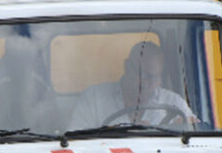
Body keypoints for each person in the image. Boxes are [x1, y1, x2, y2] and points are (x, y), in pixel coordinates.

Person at [68, 40, 197, 129]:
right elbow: (74, 142)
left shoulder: (173, 102)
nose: (146, 83)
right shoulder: (93, 98)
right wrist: (111, 133)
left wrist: (184, 128)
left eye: (154, 77)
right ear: (127, 67)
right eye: (142, 74)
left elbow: (197, 138)